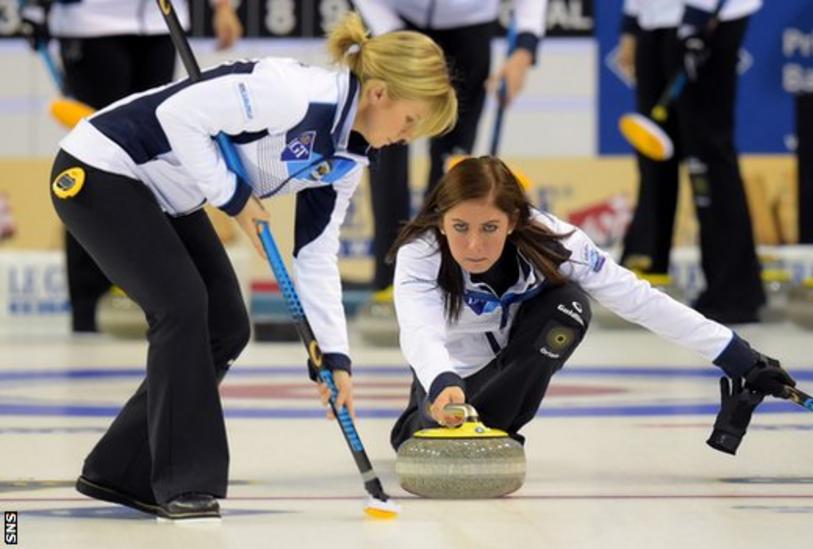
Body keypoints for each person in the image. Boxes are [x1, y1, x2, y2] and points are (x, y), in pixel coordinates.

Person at [50, 13, 456, 520]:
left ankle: (121, 469)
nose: (407, 136)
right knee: (180, 305)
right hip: (102, 169)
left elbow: (316, 254)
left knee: (226, 324)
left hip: (166, 196)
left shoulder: (349, 159)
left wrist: (332, 356)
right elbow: (179, 116)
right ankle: (183, 483)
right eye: (410, 121)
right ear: (379, 94)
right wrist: (236, 198)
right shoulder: (290, 93)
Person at [368, 156, 793, 452]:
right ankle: (424, 423)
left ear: (513, 222)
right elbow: (421, 331)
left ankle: (489, 430)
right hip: (447, 373)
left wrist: (735, 354)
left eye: (490, 227)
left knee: (569, 307)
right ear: (441, 221)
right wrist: (441, 382)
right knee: (429, 416)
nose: (474, 244)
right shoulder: (420, 254)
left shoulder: (557, 242)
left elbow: (637, 299)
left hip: (513, 372)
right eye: (459, 227)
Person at [19, 0, 243, 333]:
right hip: (91, 23)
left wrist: (224, 7)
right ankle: (87, 307)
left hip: (160, 21)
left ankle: (151, 300)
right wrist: (34, 8)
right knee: (93, 161)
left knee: (151, 161)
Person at [351, 0, 547, 294]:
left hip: (469, 27)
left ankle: (438, 281)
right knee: (385, 149)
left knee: (451, 166)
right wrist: (394, 35)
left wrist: (524, 49)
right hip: (395, 21)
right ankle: (389, 281)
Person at [616, 0, 765, 324]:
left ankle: (735, 292)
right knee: (654, 154)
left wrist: (699, 17)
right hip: (654, 21)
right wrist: (631, 26)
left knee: (707, 158)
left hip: (708, 18)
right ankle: (640, 285)